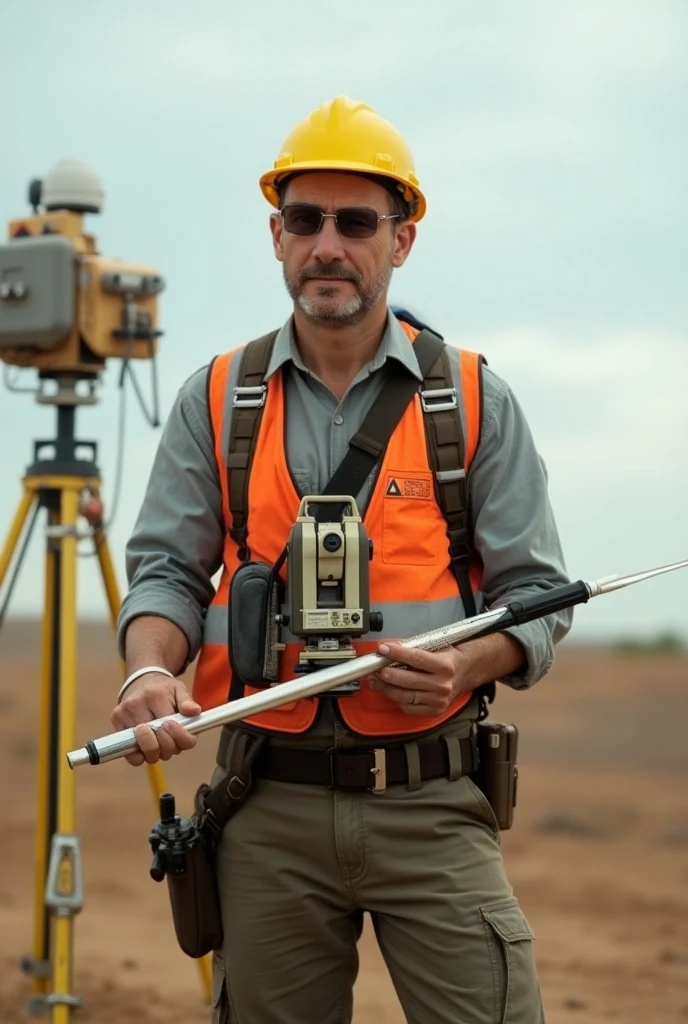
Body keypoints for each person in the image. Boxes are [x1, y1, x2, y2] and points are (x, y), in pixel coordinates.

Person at [113, 96, 571, 1024]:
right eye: (304, 220)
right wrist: (151, 671)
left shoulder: (475, 401)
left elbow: (539, 598)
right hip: (263, 803)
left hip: (432, 797)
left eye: (356, 221)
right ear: (276, 236)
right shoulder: (215, 398)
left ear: (400, 242)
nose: (328, 244)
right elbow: (166, 568)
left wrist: (463, 665)